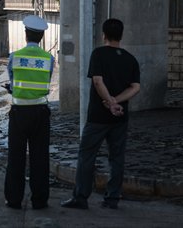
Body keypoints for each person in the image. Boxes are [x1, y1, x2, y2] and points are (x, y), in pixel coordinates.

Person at [60, 18, 140, 210]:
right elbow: (135, 88)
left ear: (103, 35)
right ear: (121, 35)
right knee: (117, 158)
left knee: (87, 156)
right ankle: (112, 198)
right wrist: (117, 102)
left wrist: (110, 102)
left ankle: (81, 197)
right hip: (120, 117)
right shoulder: (130, 59)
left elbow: (97, 81)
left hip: (98, 117)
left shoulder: (98, 54)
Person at [4, 15, 55, 210]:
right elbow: (45, 82)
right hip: (41, 112)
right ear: (42, 36)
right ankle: (40, 200)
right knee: (40, 157)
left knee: (15, 156)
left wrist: (12, 89)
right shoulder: (48, 59)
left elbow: (13, 82)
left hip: (19, 112)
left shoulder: (14, 57)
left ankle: (14, 199)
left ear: (26, 34)